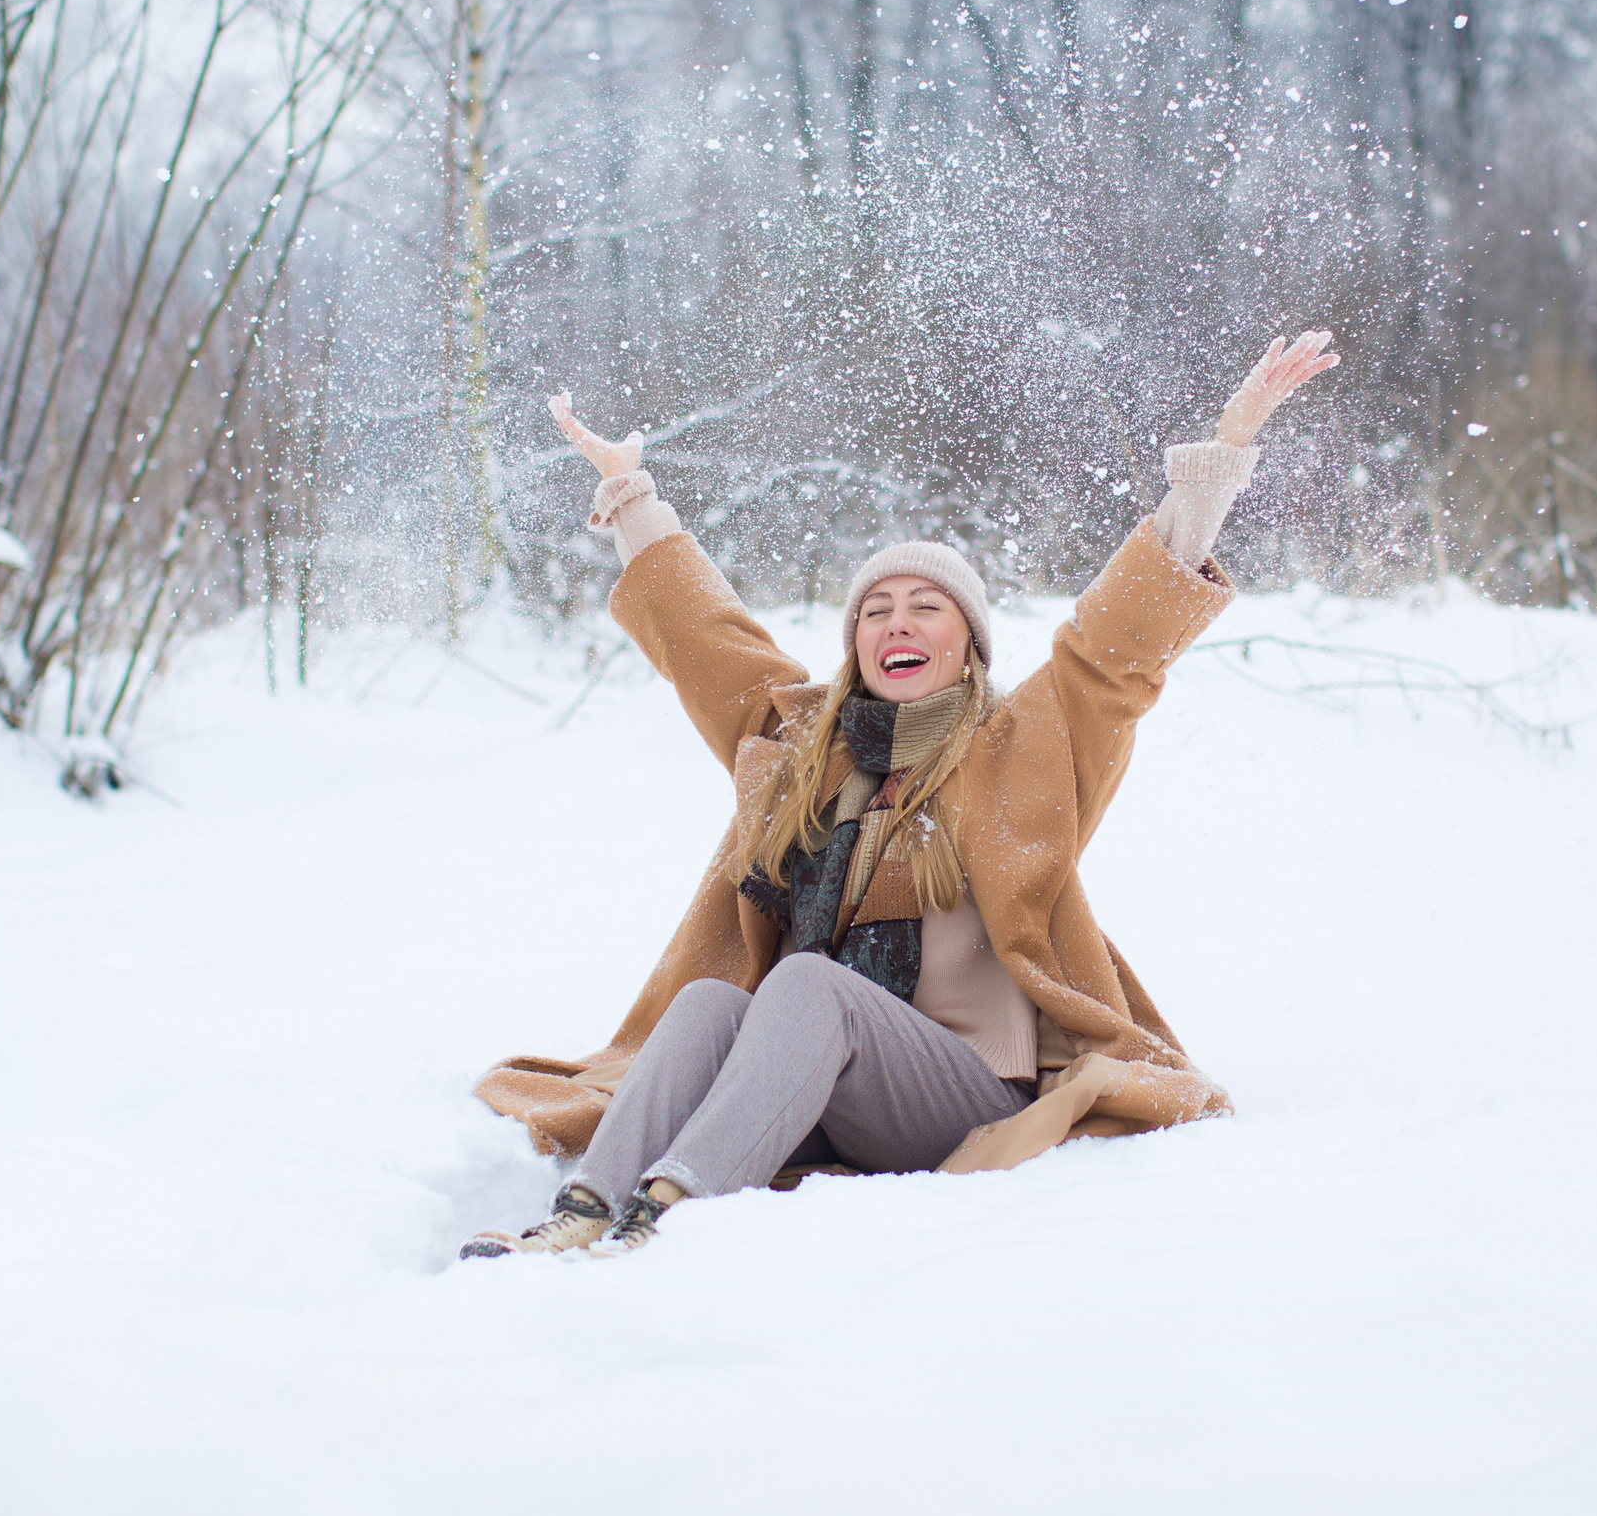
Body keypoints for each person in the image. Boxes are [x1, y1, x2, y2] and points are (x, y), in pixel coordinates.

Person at [462, 330, 1340, 1258]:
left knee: (809, 983)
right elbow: (705, 640)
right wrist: (632, 496)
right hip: (819, 1089)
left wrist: (1219, 460)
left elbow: (1115, 646)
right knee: (710, 1003)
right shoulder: (805, 751)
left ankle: (672, 1214)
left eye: (927, 607)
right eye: (876, 612)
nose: (898, 624)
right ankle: (586, 1210)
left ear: (969, 643)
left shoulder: (1023, 750)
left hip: (962, 1095)